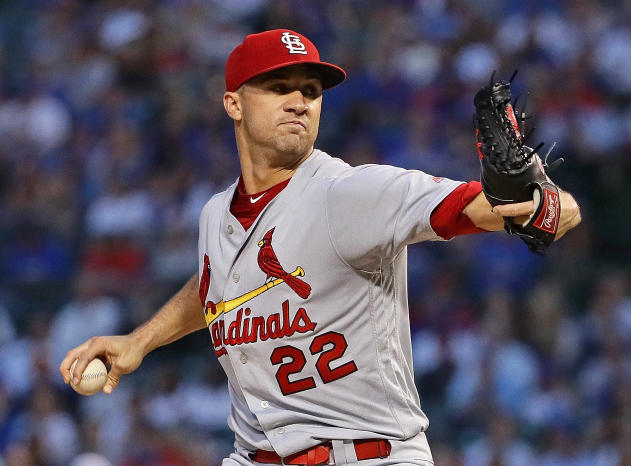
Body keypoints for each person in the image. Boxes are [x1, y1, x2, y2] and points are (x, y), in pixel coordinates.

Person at [60, 29, 581, 465]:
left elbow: (504, 208)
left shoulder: (348, 192)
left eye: (311, 91)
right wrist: (141, 341)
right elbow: (218, 287)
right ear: (233, 104)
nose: (299, 102)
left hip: (369, 454)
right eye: (278, 86)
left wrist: (540, 204)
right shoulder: (215, 213)